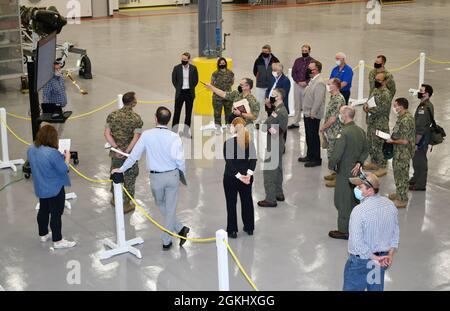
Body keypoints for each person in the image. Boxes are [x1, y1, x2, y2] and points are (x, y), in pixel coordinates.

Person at [113, 107, 190, 250]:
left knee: (162, 204)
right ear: (169, 120)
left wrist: (121, 169)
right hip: (172, 175)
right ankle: (180, 229)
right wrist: (182, 177)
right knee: (170, 207)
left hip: (156, 178)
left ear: (155, 118)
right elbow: (180, 161)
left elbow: (134, 155)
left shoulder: (147, 135)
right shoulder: (175, 137)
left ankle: (166, 240)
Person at [344, 172, 399, 291]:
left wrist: (373, 257)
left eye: (359, 187)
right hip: (380, 261)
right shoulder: (390, 205)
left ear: (370, 191)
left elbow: (357, 243)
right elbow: (395, 232)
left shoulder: (359, 211)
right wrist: (389, 255)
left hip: (360, 263)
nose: (356, 189)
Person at [27, 125, 76, 249]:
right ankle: (58, 240)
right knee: (56, 214)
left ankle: (43, 234)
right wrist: (67, 158)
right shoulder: (52, 153)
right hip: (55, 188)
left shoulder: (31, 149)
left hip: (41, 187)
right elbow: (63, 169)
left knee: (43, 210)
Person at [328, 106, 368, 240]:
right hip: (356, 171)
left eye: (340, 113)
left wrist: (331, 165)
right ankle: (355, 226)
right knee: (354, 199)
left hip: (344, 171)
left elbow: (337, 154)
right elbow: (366, 149)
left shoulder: (344, 133)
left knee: (342, 200)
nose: (339, 115)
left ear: (345, 115)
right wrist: (360, 163)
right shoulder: (361, 131)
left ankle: (344, 230)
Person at [104, 91, 143, 213]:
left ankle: (115, 199)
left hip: (116, 153)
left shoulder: (112, 115)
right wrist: (126, 151)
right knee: (130, 177)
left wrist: (116, 148)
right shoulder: (136, 118)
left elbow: (106, 133)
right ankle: (126, 204)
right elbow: (136, 137)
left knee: (115, 173)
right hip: (129, 155)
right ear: (133, 103)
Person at [223, 117, 257, 238]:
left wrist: (238, 176)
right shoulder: (249, 141)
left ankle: (232, 230)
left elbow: (229, 162)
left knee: (231, 203)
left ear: (233, 128)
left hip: (231, 178)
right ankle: (249, 227)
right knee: (247, 201)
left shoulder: (228, 143)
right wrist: (248, 175)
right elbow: (253, 159)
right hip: (246, 178)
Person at [258, 88, 289, 208]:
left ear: (279, 97)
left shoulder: (279, 111)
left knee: (269, 171)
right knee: (278, 168)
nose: (271, 96)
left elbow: (265, 126)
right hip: (278, 141)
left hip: (274, 143)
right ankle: (278, 193)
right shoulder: (279, 109)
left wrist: (270, 128)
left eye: (274, 95)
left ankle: (270, 199)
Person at [386, 98, 415, 208]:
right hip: (398, 151)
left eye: (395, 105)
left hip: (403, 152)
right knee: (397, 173)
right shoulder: (402, 117)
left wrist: (392, 141)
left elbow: (405, 141)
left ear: (401, 107)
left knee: (402, 175)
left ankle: (402, 199)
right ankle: (399, 193)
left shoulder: (406, 120)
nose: (394, 107)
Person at [298, 60, 326, 167]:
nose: (308, 70)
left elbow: (318, 100)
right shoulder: (312, 80)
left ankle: (316, 158)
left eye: (310, 68)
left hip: (313, 114)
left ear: (316, 70)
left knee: (313, 136)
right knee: (309, 135)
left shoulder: (319, 82)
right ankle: (309, 155)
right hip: (307, 112)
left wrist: (313, 112)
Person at [363, 72, 392, 177]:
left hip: (381, 123)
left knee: (380, 145)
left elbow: (381, 109)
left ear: (385, 81)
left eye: (379, 80)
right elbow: (368, 101)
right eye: (376, 79)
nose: (376, 82)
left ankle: (383, 167)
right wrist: (366, 106)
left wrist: (368, 109)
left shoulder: (386, 94)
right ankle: (374, 162)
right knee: (371, 143)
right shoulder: (375, 90)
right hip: (372, 122)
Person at [320, 78, 345, 187]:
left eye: (329, 84)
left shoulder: (338, 99)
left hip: (335, 131)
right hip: (331, 131)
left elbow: (333, 118)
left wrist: (323, 127)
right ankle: (334, 174)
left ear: (335, 86)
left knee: (336, 156)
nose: (328, 85)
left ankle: (338, 179)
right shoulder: (333, 97)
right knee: (331, 154)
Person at [410, 84, 435, 191]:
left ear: (426, 93)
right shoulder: (426, 104)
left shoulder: (423, 108)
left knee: (420, 161)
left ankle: (420, 184)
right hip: (422, 137)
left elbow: (420, 128)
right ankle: (416, 179)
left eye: (421, 90)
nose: (419, 92)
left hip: (421, 139)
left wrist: (416, 143)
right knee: (417, 160)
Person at [171, 52, 199, 137]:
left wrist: (190, 87)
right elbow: (174, 80)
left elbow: (196, 80)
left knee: (188, 113)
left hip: (189, 93)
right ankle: (174, 132)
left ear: (188, 60)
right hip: (180, 93)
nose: (183, 61)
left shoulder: (193, 68)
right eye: (182, 59)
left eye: (185, 60)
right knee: (177, 113)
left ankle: (186, 132)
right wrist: (179, 87)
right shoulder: (177, 68)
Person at [289, 44, 315, 129]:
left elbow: (313, 74)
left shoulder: (312, 62)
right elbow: (293, 72)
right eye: (302, 51)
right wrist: (298, 81)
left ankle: (308, 122)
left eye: (305, 51)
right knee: (297, 104)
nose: (304, 52)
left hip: (308, 86)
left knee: (307, 104)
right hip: (297, 85)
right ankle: (296, 122)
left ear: (309, 51)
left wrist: (306, 82)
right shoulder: (297, 61)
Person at [253, 44, 280, 125]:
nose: (264, 53)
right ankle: (258, 121)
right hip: (260, 86)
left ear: (270, 51)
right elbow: (255, 71)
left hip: (271, 86)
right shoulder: (258, 60)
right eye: (263, 51)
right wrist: (260, 78)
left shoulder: (275, 60)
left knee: (271, 103)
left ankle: (271, 120)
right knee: (259, 103)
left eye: (266, 52)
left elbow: (278, 71)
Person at [211, 57, 234, 130]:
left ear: (226, 64)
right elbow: (212, 84)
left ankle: (228, 126)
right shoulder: (215, 73)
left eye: (223, 63)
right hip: (217, 97)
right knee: (217, 113)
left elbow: (232, 82)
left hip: (227, 96)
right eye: (220, 63)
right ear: (218, 64)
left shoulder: (230, 73)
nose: (222, 64)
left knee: (229, 113)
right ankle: (218, 128)